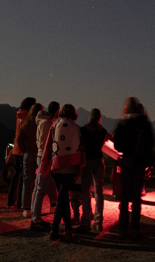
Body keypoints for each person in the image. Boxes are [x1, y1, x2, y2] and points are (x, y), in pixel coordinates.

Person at [39, 104, 85, 241]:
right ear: (74, 114)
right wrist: (80, 168)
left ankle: (68, 229)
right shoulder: (76, 128)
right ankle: (54, 229)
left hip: (55, 166)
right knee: (62, 197)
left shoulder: (54, 126)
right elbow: (80, 148)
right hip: (69, 167)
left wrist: (44, 164)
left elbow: (48, 145)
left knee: (63, 197)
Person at [113, 97, 155, 241]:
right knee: (136, 197)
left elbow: (117, 145)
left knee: (124, 196)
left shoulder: (122, 122)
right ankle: (135, 229)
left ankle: (122, 229)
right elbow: (151, 143)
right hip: (140, 162)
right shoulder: (144, 122)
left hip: (127, 161)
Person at [78, 108, 109, 232]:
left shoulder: (83, 130)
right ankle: (98, 221)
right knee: (99, 192)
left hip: (86, 161)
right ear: (99, 118)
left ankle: (85, 219)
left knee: (85, 191)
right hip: (98, 161)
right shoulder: (103, 131)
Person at [30, 101, 60, 229]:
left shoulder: (43, 122)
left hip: (40, 155)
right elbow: (45, 143)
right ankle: (36, 220)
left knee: (38, 187)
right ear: (57, 111)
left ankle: (34, 216)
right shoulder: (48, 124)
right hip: (44, 157)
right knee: (41, 188)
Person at [9, 97, 36, 209]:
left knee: (15, 176)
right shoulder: (27, 117)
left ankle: (10, 201)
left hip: (16, 149)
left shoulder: (19, 115)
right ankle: (20, 202)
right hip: (23, 150)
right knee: (23, 178)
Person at [18, 103, 44, 217]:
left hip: (28, 154)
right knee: (41, 181)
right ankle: (48, 204)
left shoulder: (26, 124)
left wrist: (24, 149)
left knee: (27, 182)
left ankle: (27, 208)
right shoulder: (41, 123)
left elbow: (19, 139)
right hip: (39, 154)